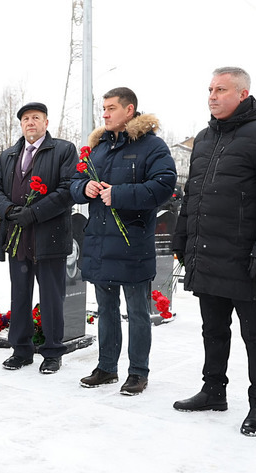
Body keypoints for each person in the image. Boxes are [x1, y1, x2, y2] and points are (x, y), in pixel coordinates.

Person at [171, 67, 256, 436]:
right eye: (210, 89)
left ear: (243, 94)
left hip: (246, 260)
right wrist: (181, 238)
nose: (213, 96)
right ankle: (214, 389)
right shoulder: (203, 138)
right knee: (213, 329)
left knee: (255, 334)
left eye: (221, 89)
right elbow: (192, 197)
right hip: (207, 252)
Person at [70, 87, 176, 395]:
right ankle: (106, 368)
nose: (104, 114)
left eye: (111, 108)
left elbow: (163, 185)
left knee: (138, 312)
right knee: (106, 309)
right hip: (100, 245)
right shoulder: (98, 148)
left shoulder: (152, 146)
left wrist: (119, 194)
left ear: (129, 110)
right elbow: (74, 182)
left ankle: (138, 372)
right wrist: (85, 187)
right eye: (103, 108)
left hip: (132, 244)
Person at [0, 103, 78, 373]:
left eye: (36, 118)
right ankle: (21, 350)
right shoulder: (9, 155)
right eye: (26, 119)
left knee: (51, 298)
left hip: (49, 238)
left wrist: (35, 213)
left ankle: (52, 352)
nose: (30, 123)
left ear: (46, 123)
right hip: (18, 237)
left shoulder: (63, 150)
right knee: (20, 296)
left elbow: (67, 190)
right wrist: (10, 210)